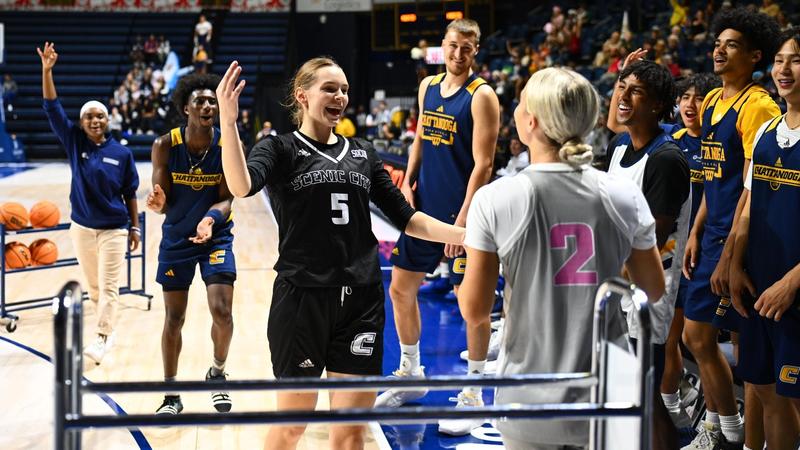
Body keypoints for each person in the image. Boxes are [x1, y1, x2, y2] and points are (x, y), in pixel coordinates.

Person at [216, 57, 466, 450]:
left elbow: (408, 218)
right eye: (330, 88)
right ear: (302, 95)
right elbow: (241, 185)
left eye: (345, 89)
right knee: (292, 426)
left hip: (361, 299)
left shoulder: (364, 153)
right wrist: (228, 125)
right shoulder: (279, 149)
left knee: (350, 430)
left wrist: (465, 235)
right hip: (302, 299)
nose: (341, 96)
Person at [459, 67, 665, 450]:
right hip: (608, 392)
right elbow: (652, 288)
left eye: (520, 106)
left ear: (531, 122)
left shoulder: (496, 198)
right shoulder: (623, 194)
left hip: (528, 395)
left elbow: (474, 311)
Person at [377, 19, 500, 438]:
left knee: (472, 308)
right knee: (399, 288)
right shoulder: (428, 86)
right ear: (442, 47)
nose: (458, 54)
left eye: (466, 48)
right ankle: (411, 373)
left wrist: (463, 221)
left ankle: (474, 393)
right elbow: (418, 139)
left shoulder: (481, 96)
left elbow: (483, 164)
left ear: (476, 51)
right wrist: (407, 182)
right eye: (452, 46)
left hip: (465, 217)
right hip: (425, 212)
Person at [681, 8, 781, 449]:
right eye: (718, 43)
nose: (719, 50)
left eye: (732, 45)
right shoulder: (713, 101)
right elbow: (712, 176)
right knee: (741, 348)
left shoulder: (757, 105)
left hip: (740, 241)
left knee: (697, 336)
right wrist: (697, 232)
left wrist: (727, 254)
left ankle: (724, 429)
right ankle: (743, 437)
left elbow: (753, 187)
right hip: (714, 235)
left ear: (755, 55)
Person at [38, 42, 140, 365]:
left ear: (107, 120)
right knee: (94, 288)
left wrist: (135, 225)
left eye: (100, 116)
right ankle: (107, 330)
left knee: (109, 287)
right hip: (82, 228)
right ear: (81, 123)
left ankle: (102, 336)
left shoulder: (121, 154)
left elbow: (130, 192)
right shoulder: (74, 143)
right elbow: (52, 108)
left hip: (114, 230)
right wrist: (47, 70)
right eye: (88, 117)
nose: (94, 121)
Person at [606, 59, 690, 449]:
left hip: (651, 285)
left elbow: (654, 240)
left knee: (645, 392)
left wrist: (603, 277)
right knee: (624, 387)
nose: (623, 96)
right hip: (620, 281)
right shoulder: (619, 145)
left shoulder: (667, 159)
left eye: (635, 90)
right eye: (622, 87)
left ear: (658, 105)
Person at [146, 73, 238, 416]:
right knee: (174, 318)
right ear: (186, 108)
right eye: (200, 101)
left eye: (212, 101)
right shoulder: (165, 145)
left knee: (223, 312)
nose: (207, 106)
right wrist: (158, 203)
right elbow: (162, 197)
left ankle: (216, 373)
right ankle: (171, 393)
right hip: (177, 239)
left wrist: (210, 219)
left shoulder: (227, 145)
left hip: (215, 235)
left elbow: (228, 198)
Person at [729, 28, 800, 450]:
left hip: (792, 291)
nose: (784, 68)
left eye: (796, 59)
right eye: (779, 60)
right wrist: (735, 264)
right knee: (769, 395)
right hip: (760, 289)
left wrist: (792, 282)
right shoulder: (767, 130)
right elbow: (750, 207)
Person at [665, 72, 721, 429]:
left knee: (702, 340)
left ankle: (719, 418)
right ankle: (672, 408)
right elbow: (616, 126)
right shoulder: (672, 140)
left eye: (698, 97)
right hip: (675, 253)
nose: (690, 104)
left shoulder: (719, 143)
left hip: (712, 250)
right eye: (684, 96)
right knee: (674, 337)